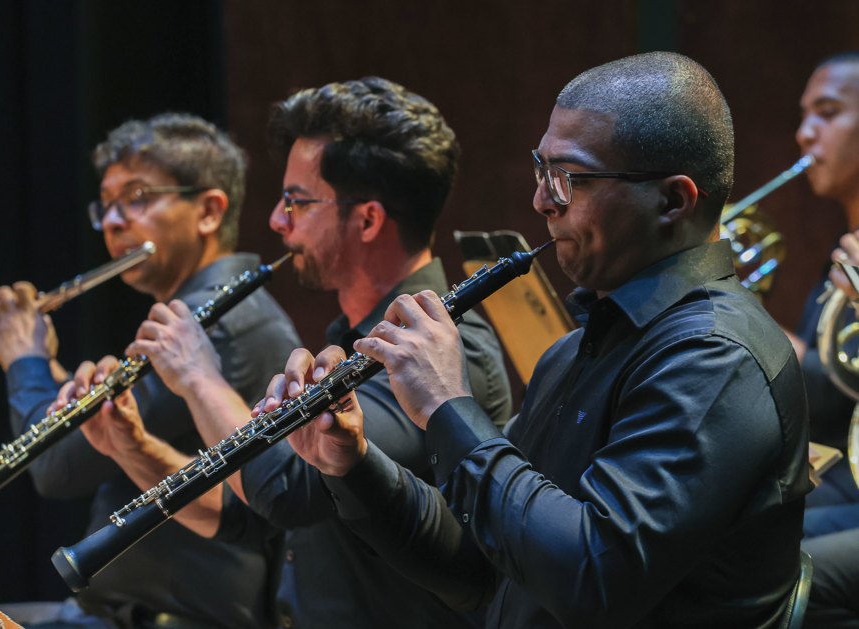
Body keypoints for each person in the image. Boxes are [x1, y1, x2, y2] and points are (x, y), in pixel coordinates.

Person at [263, 53, 811, 628]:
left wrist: (449, 407)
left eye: (569, 179)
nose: (542, 200)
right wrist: (353, 465)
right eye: (541, 170)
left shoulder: (718, 359)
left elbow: (590, 578)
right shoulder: (573, 352)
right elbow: (485, 565)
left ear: (673, 201)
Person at [62, 78, 512, 629]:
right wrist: (133, 446)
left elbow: (284, 493)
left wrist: (198, 376)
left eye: (297, 201)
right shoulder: (347, 339)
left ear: (368, 219)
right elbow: (250, 519)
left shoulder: (442, 349)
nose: (277, 220)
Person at [0, 114, 301, 629]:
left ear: (207, 210)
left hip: (176, 617)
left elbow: (57, 466)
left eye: (136, 197)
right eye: (106, 204)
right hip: (115, 611)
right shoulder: (197, 313)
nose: (113, 220)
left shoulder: (213, 326)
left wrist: (26, 358)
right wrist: (45, 361)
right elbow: (101, 425)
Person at [785, 51, 859, 514]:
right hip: (827, 466)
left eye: (827, 113)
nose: (804, 132)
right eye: (804, 114)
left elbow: (834, 393)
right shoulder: (842, 251)